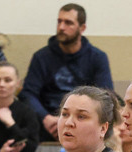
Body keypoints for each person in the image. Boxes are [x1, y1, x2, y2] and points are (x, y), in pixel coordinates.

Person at [22, 4, 113, 140]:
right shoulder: (41, 57)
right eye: (59, 21)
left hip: (83, 121)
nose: (61, 27)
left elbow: (105, 96)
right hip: (48, 122)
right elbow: (28, 93)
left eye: (68, 23)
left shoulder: (97, 58)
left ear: (82, 28)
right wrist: (46, 118)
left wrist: (79, 119)